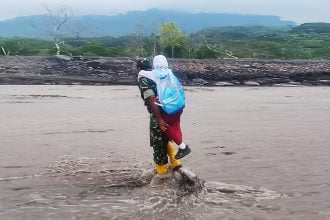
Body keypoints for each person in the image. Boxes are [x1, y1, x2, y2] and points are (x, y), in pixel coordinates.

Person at [136, 56, 191, 176]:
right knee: (167, 137)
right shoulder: (167, 74)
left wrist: (159, 119)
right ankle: (176, 163)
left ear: (138, 68)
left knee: (158, 144)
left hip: (159, 115)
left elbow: (151, 98)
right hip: (172, 111)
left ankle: (162, 176)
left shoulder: (145, 78)